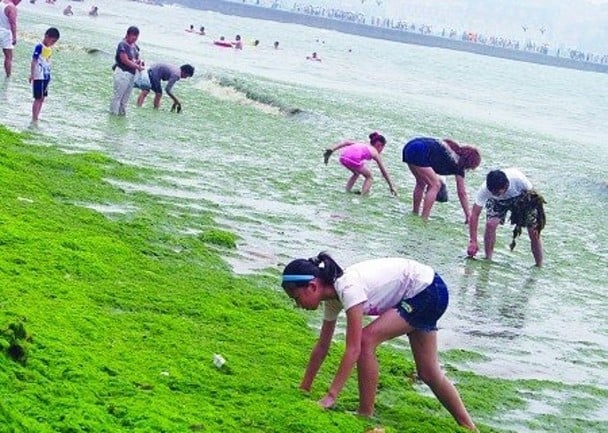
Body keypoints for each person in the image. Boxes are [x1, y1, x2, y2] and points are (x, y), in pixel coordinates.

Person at [281, 252, 478, 432]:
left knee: (366, 340)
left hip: (428, 290)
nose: (297, 305)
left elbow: (353, 348)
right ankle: (469, 427)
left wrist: (332, 395)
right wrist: (304, 387)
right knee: (428, 373)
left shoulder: (348, 288)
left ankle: (365, 413)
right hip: (425, 291)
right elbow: (322, 345)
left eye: (296, 298)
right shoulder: (332, 299)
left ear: (313, 286)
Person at [467, 168, 545, 267]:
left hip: (520, 197)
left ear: (507, 185)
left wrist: (537, 219)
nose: (494, 193)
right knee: (490, 224)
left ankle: (539, 264)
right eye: (492, 192)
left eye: (497, 192)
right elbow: (474, 214)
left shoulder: (519, 181)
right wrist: (473, 241)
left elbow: (535, 200)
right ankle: (488, 259)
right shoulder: (486, 189)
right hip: (497, 202)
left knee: (533, 231)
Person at [402, 137, 481, 222]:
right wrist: (468, 215)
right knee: (435, 185)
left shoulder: (451, 149)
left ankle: (415, 212)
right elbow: (462, 193)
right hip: (420, 150)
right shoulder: (458, 166)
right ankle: (424, 218)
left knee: (421, 182)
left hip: (409, 146)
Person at [323, 132, 397, 196]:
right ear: (379, 145)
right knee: (369, 177)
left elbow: (346, 142)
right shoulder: (375, 152)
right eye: (382, 148)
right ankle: (362, 196)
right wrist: (391, 186)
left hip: (343, 157)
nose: (381, 151)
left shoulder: (362, 144)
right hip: (353, 159)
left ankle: (347, 191)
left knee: (356, 173)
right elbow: (384, 172)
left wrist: (332, 149)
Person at [110, 26, 143, 116]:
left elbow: (135, 58)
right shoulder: (122, 44)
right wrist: (137, 66)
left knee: (125, 99)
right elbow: (124, 60)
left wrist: (139, 63)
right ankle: (113, 115)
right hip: (122, 72)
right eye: (133, 36)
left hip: (131, 74)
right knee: (118, 96)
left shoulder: (135, 47)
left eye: (136, 37)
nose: (135, 39)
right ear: (127, 35)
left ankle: (121, 115)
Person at [29, 27, 59, 122]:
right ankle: (34, 117)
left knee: (42, 98)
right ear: (46, 36)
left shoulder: (49, 48)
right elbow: (34, 60)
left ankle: (37, 116)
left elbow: (48, 60)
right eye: (52, 41)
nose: (53, 43)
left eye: (55, 42)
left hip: (46, 75)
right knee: (38, 97)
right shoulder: (39, 47)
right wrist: (32, 74)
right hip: (39, 75)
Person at [0, 0, 21, 78]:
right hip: (5, 32)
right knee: (8, 57)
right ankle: (8, 76)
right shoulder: (12, 8)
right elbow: (13, 24)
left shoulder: (1, 2)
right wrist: (14, 37)